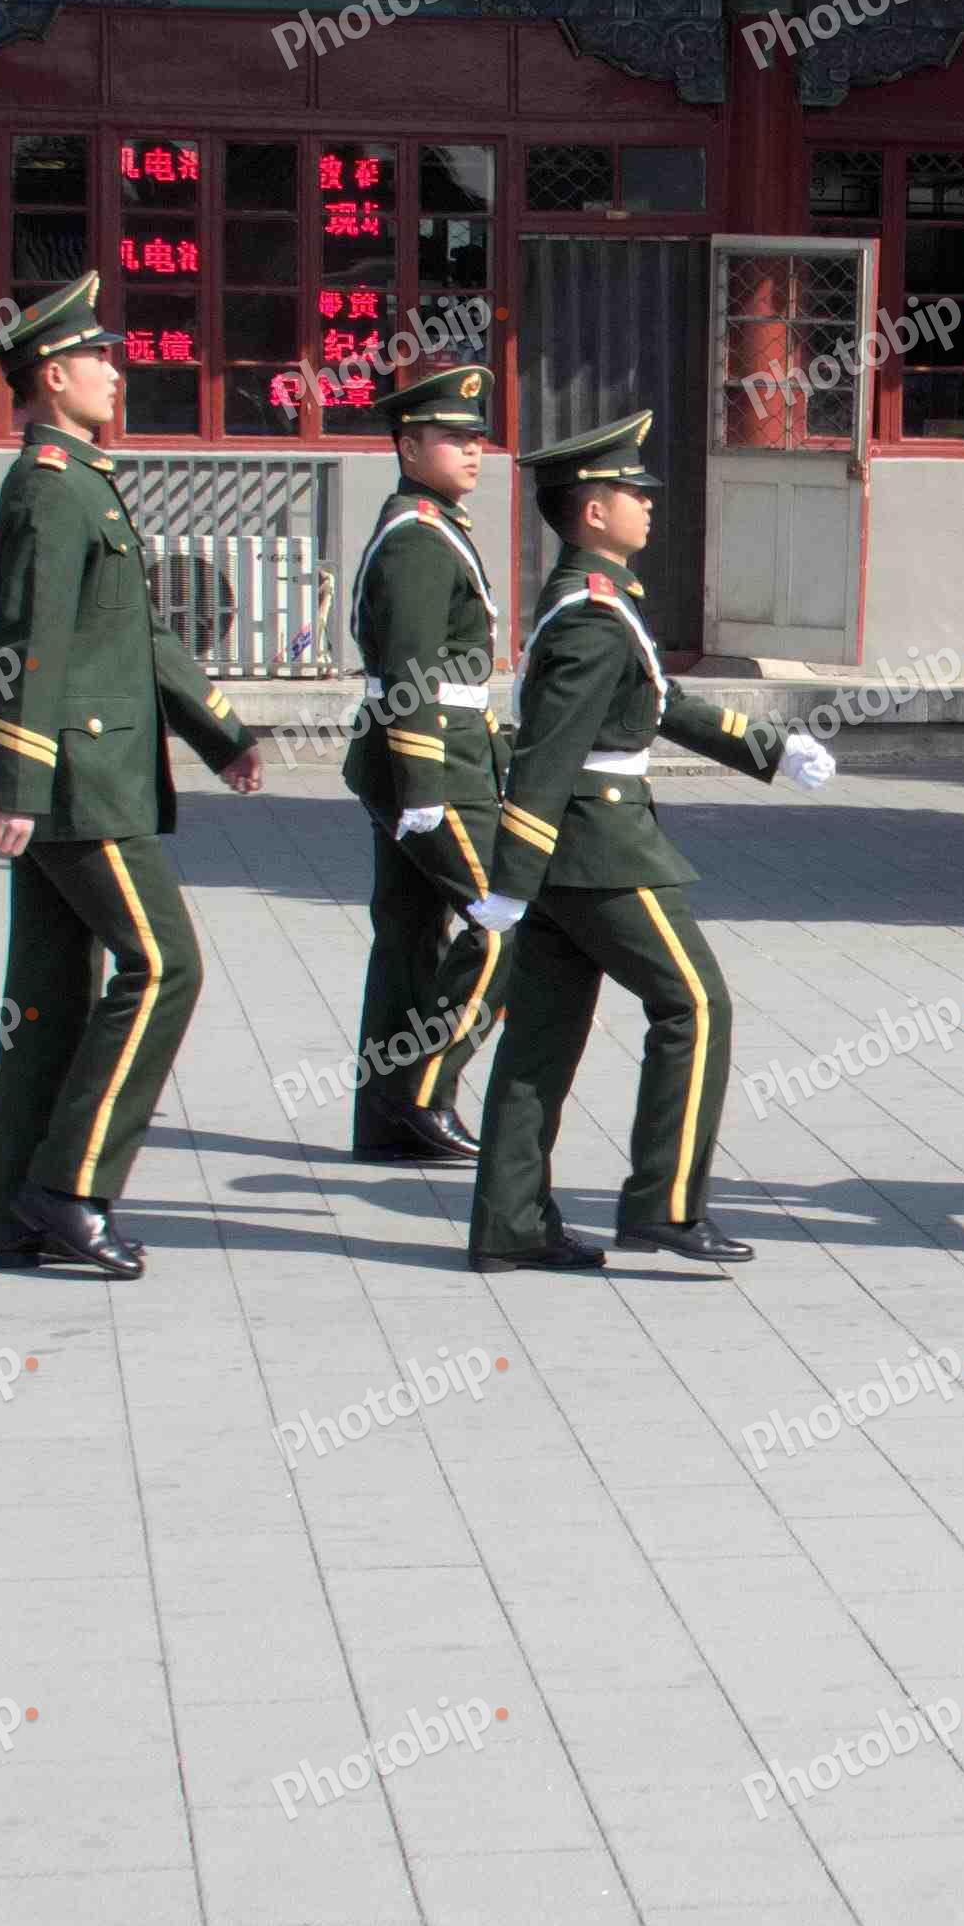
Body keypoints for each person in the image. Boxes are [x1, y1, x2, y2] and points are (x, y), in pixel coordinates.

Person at [464, 411, 836, 1272]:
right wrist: (512, 874)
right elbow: (548, 752)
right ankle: (664, 1206)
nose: (649, 504)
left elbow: (660, 700)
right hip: (600, 846)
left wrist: (769, 748)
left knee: (541, 1040)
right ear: (594, 511)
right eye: (633, 492)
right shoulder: (593, 614)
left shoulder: (599, 601)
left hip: (574, 849)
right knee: (696, 1005)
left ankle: (510, 1224)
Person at [0, 271, 266, 1277]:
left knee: (51, 999)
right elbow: (28, 642)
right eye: (97, 358)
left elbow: (134, 632)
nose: (115, 372)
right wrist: (18, 783)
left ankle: (23, 1214)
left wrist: (220, 730)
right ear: (52, 376)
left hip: (92, 775)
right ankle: (69, 1189)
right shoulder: (48, 488)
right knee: (165, 966)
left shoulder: (81, 481)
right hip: (82, 781)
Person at [344, 366, 508, 1161]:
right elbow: (411, 669)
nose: (472, 450)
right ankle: (423, 1094)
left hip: (424, 755)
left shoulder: (431, 524)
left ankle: (386, 1123)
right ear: (408, 449)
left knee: (408, 939)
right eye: (451, 437)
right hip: (433, 760)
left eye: (476, 437)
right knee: (504, 921)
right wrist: (422, 786)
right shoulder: (416, 536)